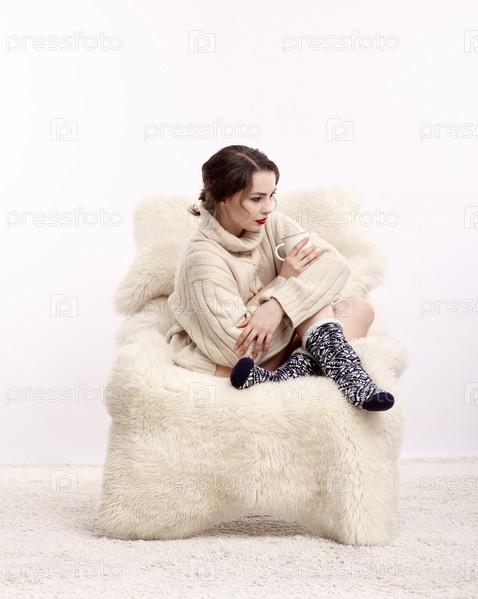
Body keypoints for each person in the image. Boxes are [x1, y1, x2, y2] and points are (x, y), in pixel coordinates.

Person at [166, 145, 394, 411]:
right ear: (223, 198)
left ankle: (286, 376)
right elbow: (235, 347)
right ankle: (351, 378)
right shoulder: (202, 257)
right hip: (231, 361)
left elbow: (334, 265)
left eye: (271, 195)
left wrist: (277, 306)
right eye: (256, 199)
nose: (268, 208)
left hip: (274, 345)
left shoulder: (273, 224)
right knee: (313, 301)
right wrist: (281, 282)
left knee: (360, 309)